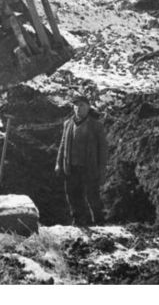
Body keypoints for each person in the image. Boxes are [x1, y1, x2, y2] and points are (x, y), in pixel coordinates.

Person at [55, 96, 108, 226]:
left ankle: (99, 221)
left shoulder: (96, 126)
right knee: (73, 195)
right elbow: (62, 145)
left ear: (88, 107)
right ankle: (78, 220)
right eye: (76, 106)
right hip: (71, 167)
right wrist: (58, 163)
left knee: (92, 196)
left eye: (82, 106)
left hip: (89, 167)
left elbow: (103, 148)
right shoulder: (68, 124)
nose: (79, 109)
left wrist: (102, 169)